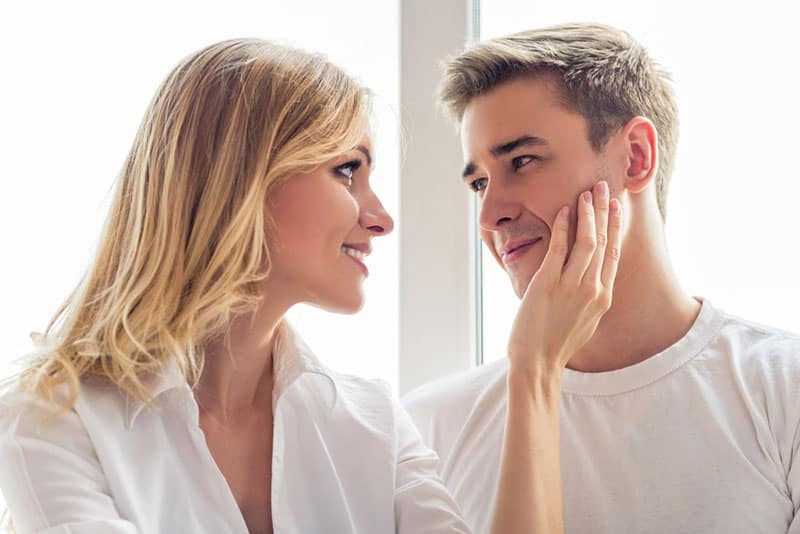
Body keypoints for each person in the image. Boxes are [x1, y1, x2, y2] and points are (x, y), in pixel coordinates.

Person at [0, 38, 622, 533]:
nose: (380, 217)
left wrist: (536, 366)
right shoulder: (50, 416)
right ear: (240, 181)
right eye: (346, 170)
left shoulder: (375, 424)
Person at [403, 22, 800, 534]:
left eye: (522, 161)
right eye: (479, 183)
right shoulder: (428, 429)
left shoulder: (783, 389)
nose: (489, 215)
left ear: (635, 157)